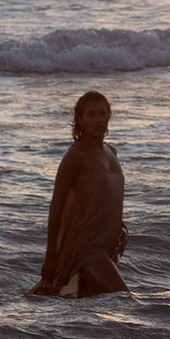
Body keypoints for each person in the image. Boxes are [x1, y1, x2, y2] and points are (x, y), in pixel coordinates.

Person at [32, 89, 129, 297]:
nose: (98, 120)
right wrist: (51, 256)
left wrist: (121, 227)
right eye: (91, 114)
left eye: (102, 113)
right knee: (123, 298)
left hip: (109, 250)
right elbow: (56, 206)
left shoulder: (111, 152)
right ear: (80, 120)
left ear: (109, 116)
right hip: (87, 251)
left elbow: (104, 198)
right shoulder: (75, 156)